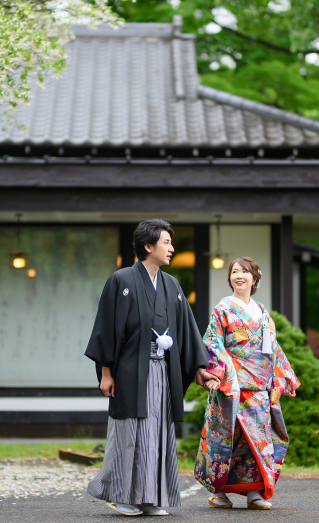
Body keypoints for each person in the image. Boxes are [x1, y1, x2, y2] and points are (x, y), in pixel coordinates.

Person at [85, 219, 219, 517]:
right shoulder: (121, 280)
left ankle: (151, 497)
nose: (172, 248)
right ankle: (122, 495)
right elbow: (106, 328)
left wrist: (199, 367)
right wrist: (106, 373)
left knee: (158, 433)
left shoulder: (171, 285)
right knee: (129, 432)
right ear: (148, 246)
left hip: (163, 370)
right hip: (130, 371)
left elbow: (186, 330)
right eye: (167, 242)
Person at [194, 256, 300, 510]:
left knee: (256, 443)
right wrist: (222, 375)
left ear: (255, 278)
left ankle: (254, 491)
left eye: (245, 272)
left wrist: (284, 377)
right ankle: (219, 493)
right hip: (231, 389)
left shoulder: (262, 312)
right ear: (230, 279)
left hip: (258, 391)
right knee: (224, 442)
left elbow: (272, 348)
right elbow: (212, 344)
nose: (239, 276)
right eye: (235, 272)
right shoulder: (223, 309)